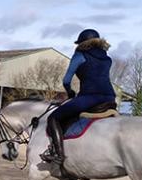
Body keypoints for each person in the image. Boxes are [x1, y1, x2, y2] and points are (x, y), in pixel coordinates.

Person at [40, 29, 116, 167]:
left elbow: (66, 80)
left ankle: (58, 155)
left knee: (53, 118)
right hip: (110, 98)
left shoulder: (80, 55)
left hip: (90, 97)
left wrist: (70, 92)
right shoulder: (107, 59)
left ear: (82, 43)